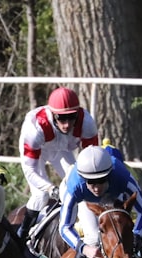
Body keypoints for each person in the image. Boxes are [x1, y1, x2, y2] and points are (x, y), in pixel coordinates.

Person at [17, 86, 99, 241]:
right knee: (41, 195)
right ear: (52, 115)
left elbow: (93, 160)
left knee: (81, 185)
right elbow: (30, 170)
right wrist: (50, 188)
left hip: (61, 149)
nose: (67, 124)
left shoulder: (86, 123)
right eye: (61, 118)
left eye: (71, 117)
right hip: (39, 150)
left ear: (78, 113)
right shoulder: (35, 129)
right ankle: (22, 234)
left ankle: (88, 230)